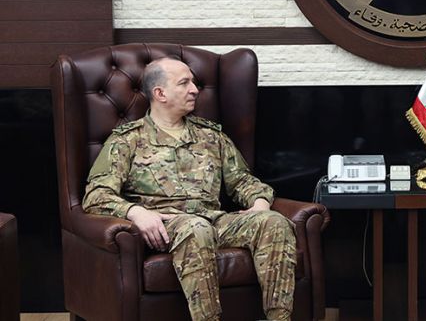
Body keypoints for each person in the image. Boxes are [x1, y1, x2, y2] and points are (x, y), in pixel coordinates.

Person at [83, 56, 296, 321]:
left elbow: (243, 181)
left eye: (193, 82)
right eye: (184, 83)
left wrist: (260, 203)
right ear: (160, 93)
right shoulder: (128, 141)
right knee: (196, 228)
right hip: (167, 226)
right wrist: (136, 213)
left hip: (214, 221)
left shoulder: (211, 136)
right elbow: (96, 195)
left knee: (274, 222)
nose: (195, 90)